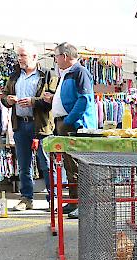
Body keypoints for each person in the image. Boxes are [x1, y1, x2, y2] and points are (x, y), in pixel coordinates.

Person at [1, 42, 58, 211]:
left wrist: (33, 102)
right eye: (18, 55)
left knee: (46, 163)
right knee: (24, 165)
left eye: (23, 55)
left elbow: (53, 99)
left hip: (41, 125)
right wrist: (8, 100)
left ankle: (53, 199)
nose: (19, 59)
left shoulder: (47, 75)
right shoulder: (14, 76)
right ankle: (26, 198)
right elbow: (4, 96)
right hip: (20, 124)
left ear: (34, 57)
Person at [44, 42, 97, 219]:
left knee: (76, 165)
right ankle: (74, 201)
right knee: (69, 165)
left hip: (73, 125)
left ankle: (82, 205)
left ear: (65, 56)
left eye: (56, 56)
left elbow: (84, 100)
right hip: (64, 122)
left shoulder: (79, 72)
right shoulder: (67, 73)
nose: (55, 60)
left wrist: (69, 120)